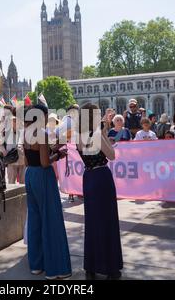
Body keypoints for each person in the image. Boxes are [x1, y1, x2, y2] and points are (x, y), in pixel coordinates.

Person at [23, 104, 72, 280]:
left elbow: (30, 160)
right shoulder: (42, 134)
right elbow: (45, 162)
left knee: (35, 220)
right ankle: (56, 269)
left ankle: (36, 265)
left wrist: (52, 149)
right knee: (51, 219)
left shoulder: (25, 132)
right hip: (43, 176)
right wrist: (58, 154)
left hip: (30, 175)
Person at [77, 103, 123, 280]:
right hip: (101, 178)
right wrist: (103, 132)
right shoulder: (95, 134)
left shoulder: (79, 136)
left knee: (92, 222)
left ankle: (91, 267)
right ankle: (111, 268)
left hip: (88, 178)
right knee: (107, 221)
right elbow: (111, 155)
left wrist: (103, 130)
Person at [5, 116, 26, 184]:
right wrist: (5, 153)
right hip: (11, 161)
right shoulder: (5, 132)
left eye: (16, 121)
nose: (14, 123)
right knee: (11, 182)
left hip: (22, 160)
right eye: (13, 121)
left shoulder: (23, 131)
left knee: (23, 182)